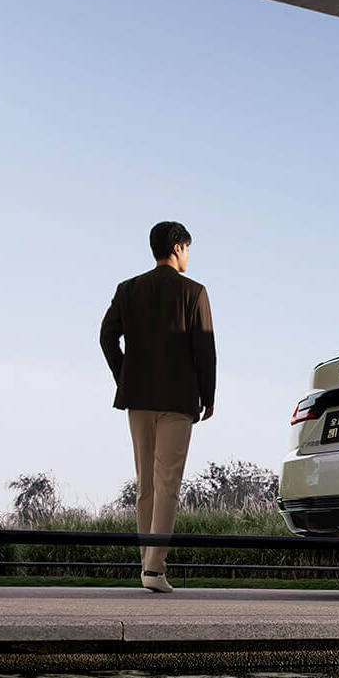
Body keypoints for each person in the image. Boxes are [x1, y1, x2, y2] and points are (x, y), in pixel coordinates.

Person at [99, 221, 217, 593]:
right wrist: (208, 396)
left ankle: (146, 566)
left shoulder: (128, 289)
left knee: (146, 485)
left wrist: (125, 376)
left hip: (138, 399)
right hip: (178, 401)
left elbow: (106, 337)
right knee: (168, 485)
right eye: (188, 248)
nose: (188, 255)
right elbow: (205, 349)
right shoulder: (194, 292)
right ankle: (154, 569)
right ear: (178, 247)